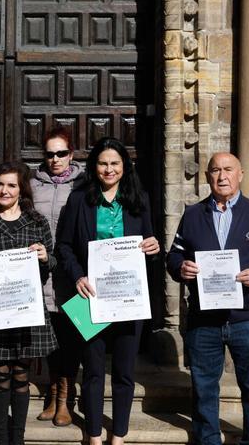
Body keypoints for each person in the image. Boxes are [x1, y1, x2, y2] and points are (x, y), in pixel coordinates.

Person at [166, 152, 249, 445]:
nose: (222, 176)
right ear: (207, 176)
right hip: (204, 320)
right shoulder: (193, 215)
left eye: (228, 170)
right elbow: (174, 255)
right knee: (204, 386)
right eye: (216, 170)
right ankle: (208, 439)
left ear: (240, 174)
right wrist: (180, 267)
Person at [57, 137, 161, 445]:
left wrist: (153, 248)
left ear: (124, 167)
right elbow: (64, 245)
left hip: (129, 298)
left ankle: (119, 435)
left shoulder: (138, 199)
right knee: (92, 370)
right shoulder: (79, 200)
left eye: (115, 163)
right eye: (103, 163)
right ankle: (93, 434)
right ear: (94, 166)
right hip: (91, 298)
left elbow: (149, 243)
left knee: (125, 372)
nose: (109, 169)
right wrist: (77, 276)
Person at [0, 162, 58, 445]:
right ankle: (0, 435)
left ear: (22, 189)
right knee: (1, 374)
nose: (4, 190)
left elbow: (51, 263)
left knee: (21, 375)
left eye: (11, 185)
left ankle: (17, 437)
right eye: (0, 185)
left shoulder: (37, 221)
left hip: (26, 312)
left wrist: (45, 257)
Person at [29, 127, 84, 426]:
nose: (55, 159)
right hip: (42, 273)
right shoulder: (33, 184)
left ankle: (66, 398)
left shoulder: (84, 185)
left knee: (72, 337)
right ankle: (52, 394)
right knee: (50, 338)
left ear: (71, 155)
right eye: (50, 154)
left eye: (61, 153)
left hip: (73, 273)